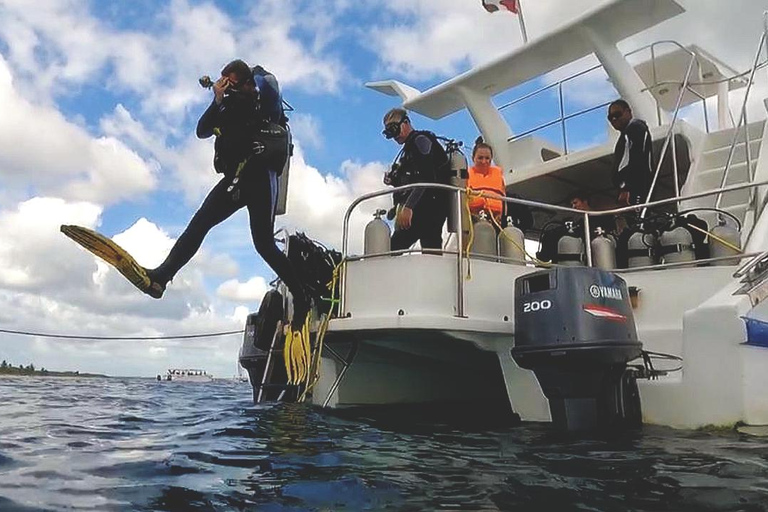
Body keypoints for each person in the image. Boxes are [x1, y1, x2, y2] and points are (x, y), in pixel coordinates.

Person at [144, 59, 311, 328]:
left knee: (264, 244)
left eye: (232, 84)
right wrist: (218, 99)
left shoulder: (262, 100)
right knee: (199, 224)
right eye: (225, 84)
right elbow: (202, 130)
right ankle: (160, 278)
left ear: (246, 83)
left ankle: (302, 298)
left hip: (260, 177)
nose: (228, 89)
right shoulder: (227, 104)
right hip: (235, 179)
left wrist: (252, 77)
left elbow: (269, 86)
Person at [382, 108, 449, 251]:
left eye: (394, 129)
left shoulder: (420, 141)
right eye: (390, 133)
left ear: (405, 123)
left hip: (429, 207)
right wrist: (393, 180)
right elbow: (413, 177)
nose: (394, 136)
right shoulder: (409, 148)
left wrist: (409, 207)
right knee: (430, 249)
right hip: (425, 206)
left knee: (392, 249)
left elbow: (427, 177)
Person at [608, 99, 653, 207]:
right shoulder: (627, 133)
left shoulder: (635, 128)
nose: (614, 119)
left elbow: (637, 157)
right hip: (631, 188)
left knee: (637, 220)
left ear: (628, 112)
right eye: (610, 117)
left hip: (635, 189)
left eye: (617, 114)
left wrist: (626, 188)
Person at [467, 137, 506, 224]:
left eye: (487, 158)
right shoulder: (466, 175)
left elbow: (504, 198)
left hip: (496, 220)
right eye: (480, 158)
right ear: (473, 158)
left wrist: (502, 216)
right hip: (474, 219)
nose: (484, 161)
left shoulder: (498, 175)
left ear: (491, 158)